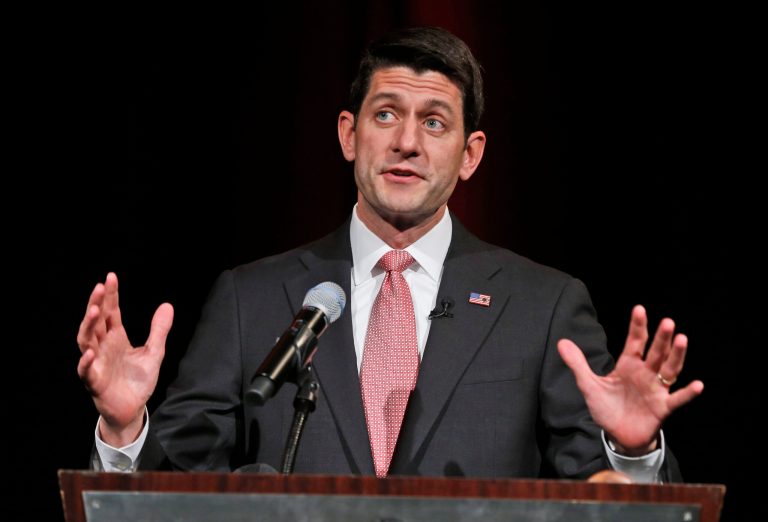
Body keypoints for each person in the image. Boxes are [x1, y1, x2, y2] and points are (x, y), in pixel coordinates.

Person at [77, 26, 703, 481]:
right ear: (349, 134)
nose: (406, 142)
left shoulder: (542, 305)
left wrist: (631, 453)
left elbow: (602, 493)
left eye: (434, 122)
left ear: (471, 154)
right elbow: (183, 481)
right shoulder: (251, 298)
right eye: (386, 115)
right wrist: (126, 430)